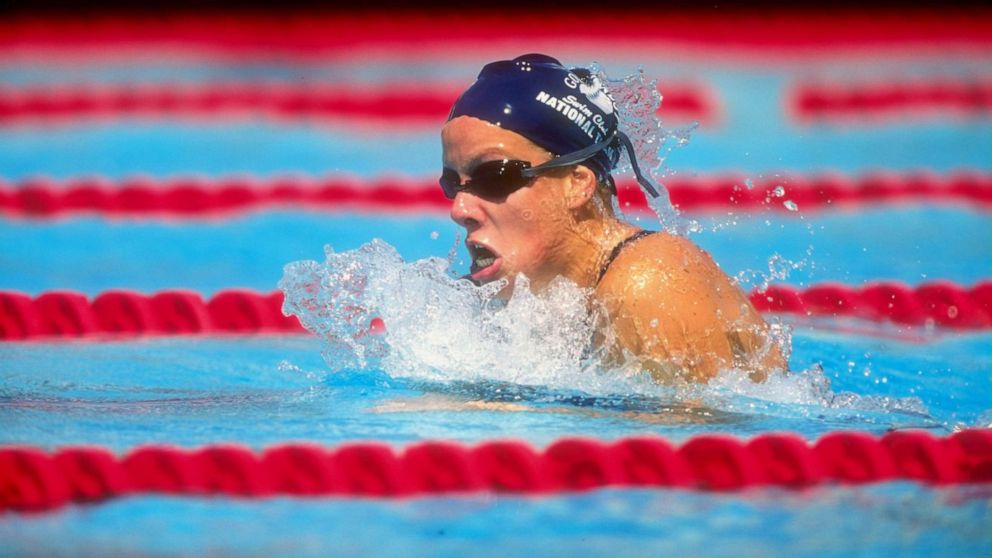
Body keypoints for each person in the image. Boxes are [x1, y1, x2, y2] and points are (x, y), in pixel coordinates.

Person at [440, 54, 785, 383]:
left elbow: (697, 441)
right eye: (452, 184)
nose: (460, 210)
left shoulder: (646, 286)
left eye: (494, 176)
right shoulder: (537, 299)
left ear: (577, 184)